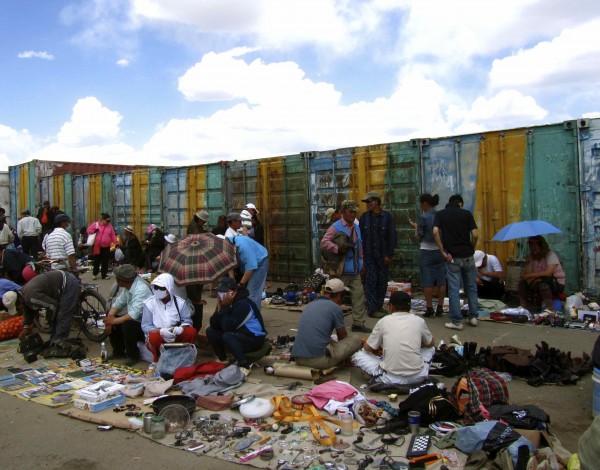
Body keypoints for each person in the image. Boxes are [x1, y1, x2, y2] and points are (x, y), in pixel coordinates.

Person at [352, 291, 435, 385]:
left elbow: (367, 348)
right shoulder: (419, 321)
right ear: (409, 307)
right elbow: (430, 344)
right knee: (430, 349)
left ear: (391, 306)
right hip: (418, 377)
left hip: (390, 378)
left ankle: (379, 377)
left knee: (359, 355)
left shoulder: (384, 321)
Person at [321, 200, 370, 333]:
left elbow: (359, 245)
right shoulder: (336, 227)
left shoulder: (356, 227)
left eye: (355, 211)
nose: (353, 214)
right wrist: (338, 249)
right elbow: (324, 243)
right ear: (343, 212)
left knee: (359, 296)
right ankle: (327, 322)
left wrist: (362, 262)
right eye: (350, 211)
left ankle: (358, 323)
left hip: (354, 270)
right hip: (340, 271)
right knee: (333, 298)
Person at [292, 278, 362, 369]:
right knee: (356, 339)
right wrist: (346, 358)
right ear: (340, 296)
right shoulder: (335, 308)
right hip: (318, 361)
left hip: (298, 358)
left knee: (329, 340)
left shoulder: (310, 305)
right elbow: (342, 337)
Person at [433, 194, 479, 330]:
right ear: (460, 203)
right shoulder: (467, 214)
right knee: (471, 287)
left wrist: (442, 251)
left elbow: (435, 232)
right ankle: (473, 317)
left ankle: (457, 321)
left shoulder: (441, 214)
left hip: (452, 257)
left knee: (454, 289)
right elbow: (475, 234)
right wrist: (472, 247)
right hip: (468, 256)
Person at [206, 277, 267, 372]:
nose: (221, 294)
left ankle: (244, 365)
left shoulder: (243, 304)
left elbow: (227, 327)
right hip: (239, 333)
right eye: (220, 292)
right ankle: (222, 358)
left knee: (228, 336)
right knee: (210, 331)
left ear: (233, 292)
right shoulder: (226, 303)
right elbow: (214, 325)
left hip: (254, 338)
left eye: (224, 292)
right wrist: (218, 309)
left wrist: (224, 308)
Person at [141, 273, 197, 363]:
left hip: (175, 333)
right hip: (159, 334)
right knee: (153, 337)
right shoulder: (149, 304)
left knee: (191, 332)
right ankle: (157, 360)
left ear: (169, 288)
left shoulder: (180, 302)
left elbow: (187, 321)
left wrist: (181, 328)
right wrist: (160, 331)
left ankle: (183, 356)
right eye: (156, 287)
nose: (158, 290)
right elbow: (145, 326)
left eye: (162, 288)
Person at [103, 264, 152, 366]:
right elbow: (118, 304)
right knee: (112, 315)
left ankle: (133, 355)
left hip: (146, 326)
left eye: (117, 278)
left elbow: (133, 314)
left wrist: (114, 321)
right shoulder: (128, 287)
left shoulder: (141, 289)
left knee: (128, 324)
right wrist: (110, 318)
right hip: (136, 321)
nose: (116, 280)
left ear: (122, 280)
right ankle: (119, 352)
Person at [359, 192, 397, 318]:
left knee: (382, 282)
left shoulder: (387, 217)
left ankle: (379, 306)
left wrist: (389, 255)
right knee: (370, 282)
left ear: (376, 202)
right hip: (369, 256)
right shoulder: (364, 218)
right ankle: (372, 309)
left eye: (369, 202)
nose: (367, 205)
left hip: (382, 256)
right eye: (366, 203)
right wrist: (362, 257)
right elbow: (361, 239)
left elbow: (392, 237)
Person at [19, 270, 80, 345]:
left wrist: (49, 319)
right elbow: (28, 311)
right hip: (58, 285)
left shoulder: (31, 296)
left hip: (67, 283)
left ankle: (60, 341)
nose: (19, 308)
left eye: (17, 306)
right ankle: (55, 340)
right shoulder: (24, 295)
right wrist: (26, 327)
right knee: (56, 316)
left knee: (62, 315)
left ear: (19, 300)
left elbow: (53, 305)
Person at [410, 194, 446, 317]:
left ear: (425, 203)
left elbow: (419, 236)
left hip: (426, 251)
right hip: (440, 251)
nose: (420, 206)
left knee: (427, 281)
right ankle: (440, 307)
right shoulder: (440, 215)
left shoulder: (423, 217)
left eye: (421, 203)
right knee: (441, 281)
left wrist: (415, 227)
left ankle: (430, 308)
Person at [518, 236, 566, 315]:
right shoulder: (532, 257)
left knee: (543, 284)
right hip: (539, 281)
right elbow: (526, 275)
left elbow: (548, 273)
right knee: (522, 283)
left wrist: (531, 276)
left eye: (535, 246)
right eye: (531, 246)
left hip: (555, 283)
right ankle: (523, 307)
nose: (533, 248)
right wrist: (527, 263)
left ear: (541, 246)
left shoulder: (550, 255)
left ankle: (550, 309)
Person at [226, 228, 269, 309]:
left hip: (260, 262)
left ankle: (254, 318)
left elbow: (250, 269)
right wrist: (233, 281)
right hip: (247, 264)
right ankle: (245, 313)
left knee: (252, 292)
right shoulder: (227, 244)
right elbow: (229, 264)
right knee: (244, 292)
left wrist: (240, 284)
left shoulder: (243, 248)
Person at [87, 213, 118, 280]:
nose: (108, 222)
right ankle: (95, 274)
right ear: (102, 219)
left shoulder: (110, 226)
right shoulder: (96, 224)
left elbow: (112, 235)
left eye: (109, 221)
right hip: (97, 246)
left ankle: (104, 274)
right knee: (97, 260)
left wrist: (116, 243)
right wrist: (94, 231)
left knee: (105, 261)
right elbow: (88, 230)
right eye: (107, 221)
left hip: (106, 246)